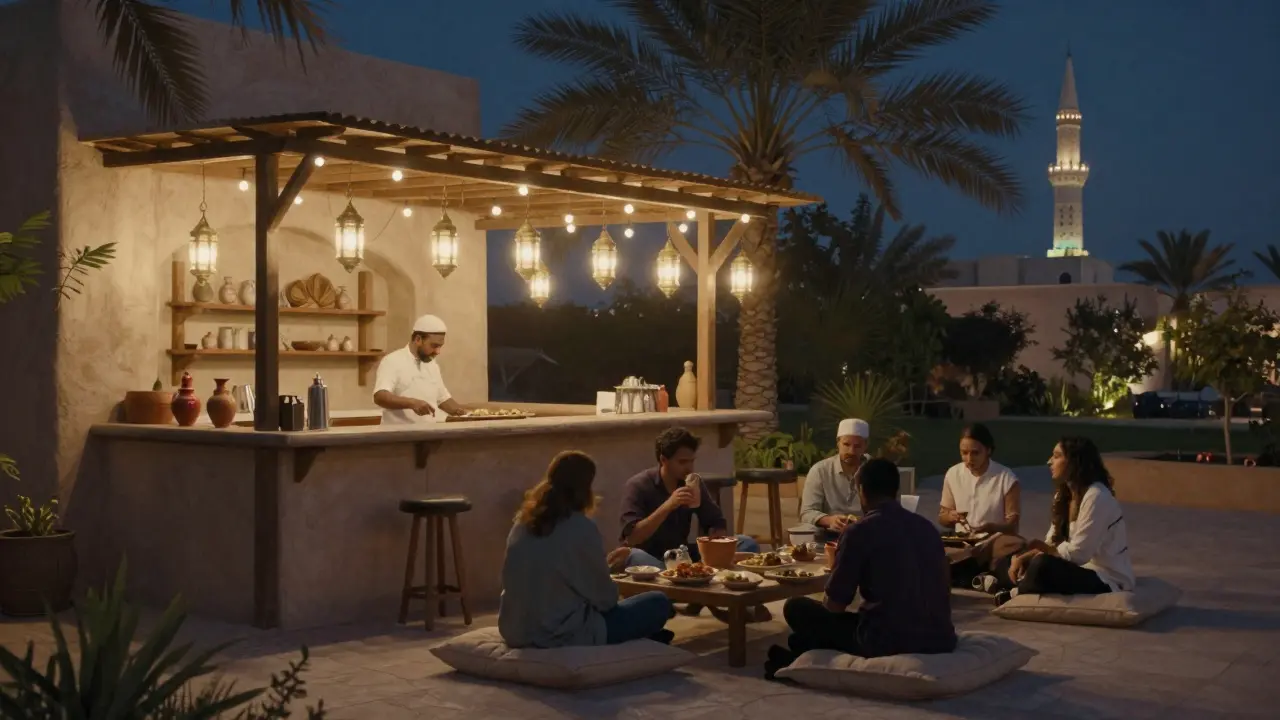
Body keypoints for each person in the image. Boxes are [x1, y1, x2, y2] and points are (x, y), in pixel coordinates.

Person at [765, 458, 956, 680]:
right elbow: (945, 587)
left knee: (796, 608)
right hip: (940, 636)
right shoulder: (927, 527)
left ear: (862, 490)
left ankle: (802, 652)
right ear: (895, 490)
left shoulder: (859, 532)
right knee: (809, 635)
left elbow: (835, 605)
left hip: (885, 639)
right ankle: (804, 648)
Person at [499, 450, 674, 648]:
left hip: (515, 630)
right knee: (658, 602)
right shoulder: (580, 527)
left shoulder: (522, 522)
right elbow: (606, 600)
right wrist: (607, 572)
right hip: (561, 632)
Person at [619, 427, 766, 621]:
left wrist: (717, 540)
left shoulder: (692, 484)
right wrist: (668, 505)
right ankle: (702, 596)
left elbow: (715, 521)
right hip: (652, 558)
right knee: (634, 556)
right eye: (682, 462)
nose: (689, 467)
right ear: (663, 460)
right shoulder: (639, 486)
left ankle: (702, 591)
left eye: (691, 461)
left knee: (747, 544)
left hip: (683, 556)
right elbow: (632, 537)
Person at [994, 436, 1135, 606]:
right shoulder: (1063, 495)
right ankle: (1016, 583)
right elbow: (1052, 542)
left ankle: (1016, 590)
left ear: (1075, 461)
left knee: (1042, 565)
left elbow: (1079, 554)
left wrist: (1037, 553)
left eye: (1056, 456)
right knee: (1009, 556)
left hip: (1104, 576)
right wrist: (1024, 556)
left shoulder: (1097, 496)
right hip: (1071, 566)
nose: (1049, 461)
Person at [938, 424, 1022, 588]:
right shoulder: (953, 474)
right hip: (963, 543)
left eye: (975, 453)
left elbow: (1013, 525)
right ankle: (981, 576)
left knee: (1012, 547)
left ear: (988, 450)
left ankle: (973, 575)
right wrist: (951, 516)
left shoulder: (1006, 478)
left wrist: (990, 528)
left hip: (994, 542)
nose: (969, 459)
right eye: (964, 453)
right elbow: (942, 517)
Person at [372, 314, 467, 424]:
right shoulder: (392, 361)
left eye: (440, 346)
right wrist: (412, 403)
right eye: (434, 346)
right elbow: (380, 396)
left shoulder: (432, 365)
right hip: (399, 436)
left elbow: (442, 399)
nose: (438, 352)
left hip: (429, 434)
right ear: (418, 339)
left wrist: (466, 414)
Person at [799, 418, 872, 542]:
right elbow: (807, 512)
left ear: (865, 445)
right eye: (846, 444)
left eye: (857, 446)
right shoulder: (820, 470)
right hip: (829, 535)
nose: (851, 451)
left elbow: (889, 510)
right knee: (807, 529)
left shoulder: (876, 470)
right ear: (838, 443)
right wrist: (830, 520)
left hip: (868, 535)